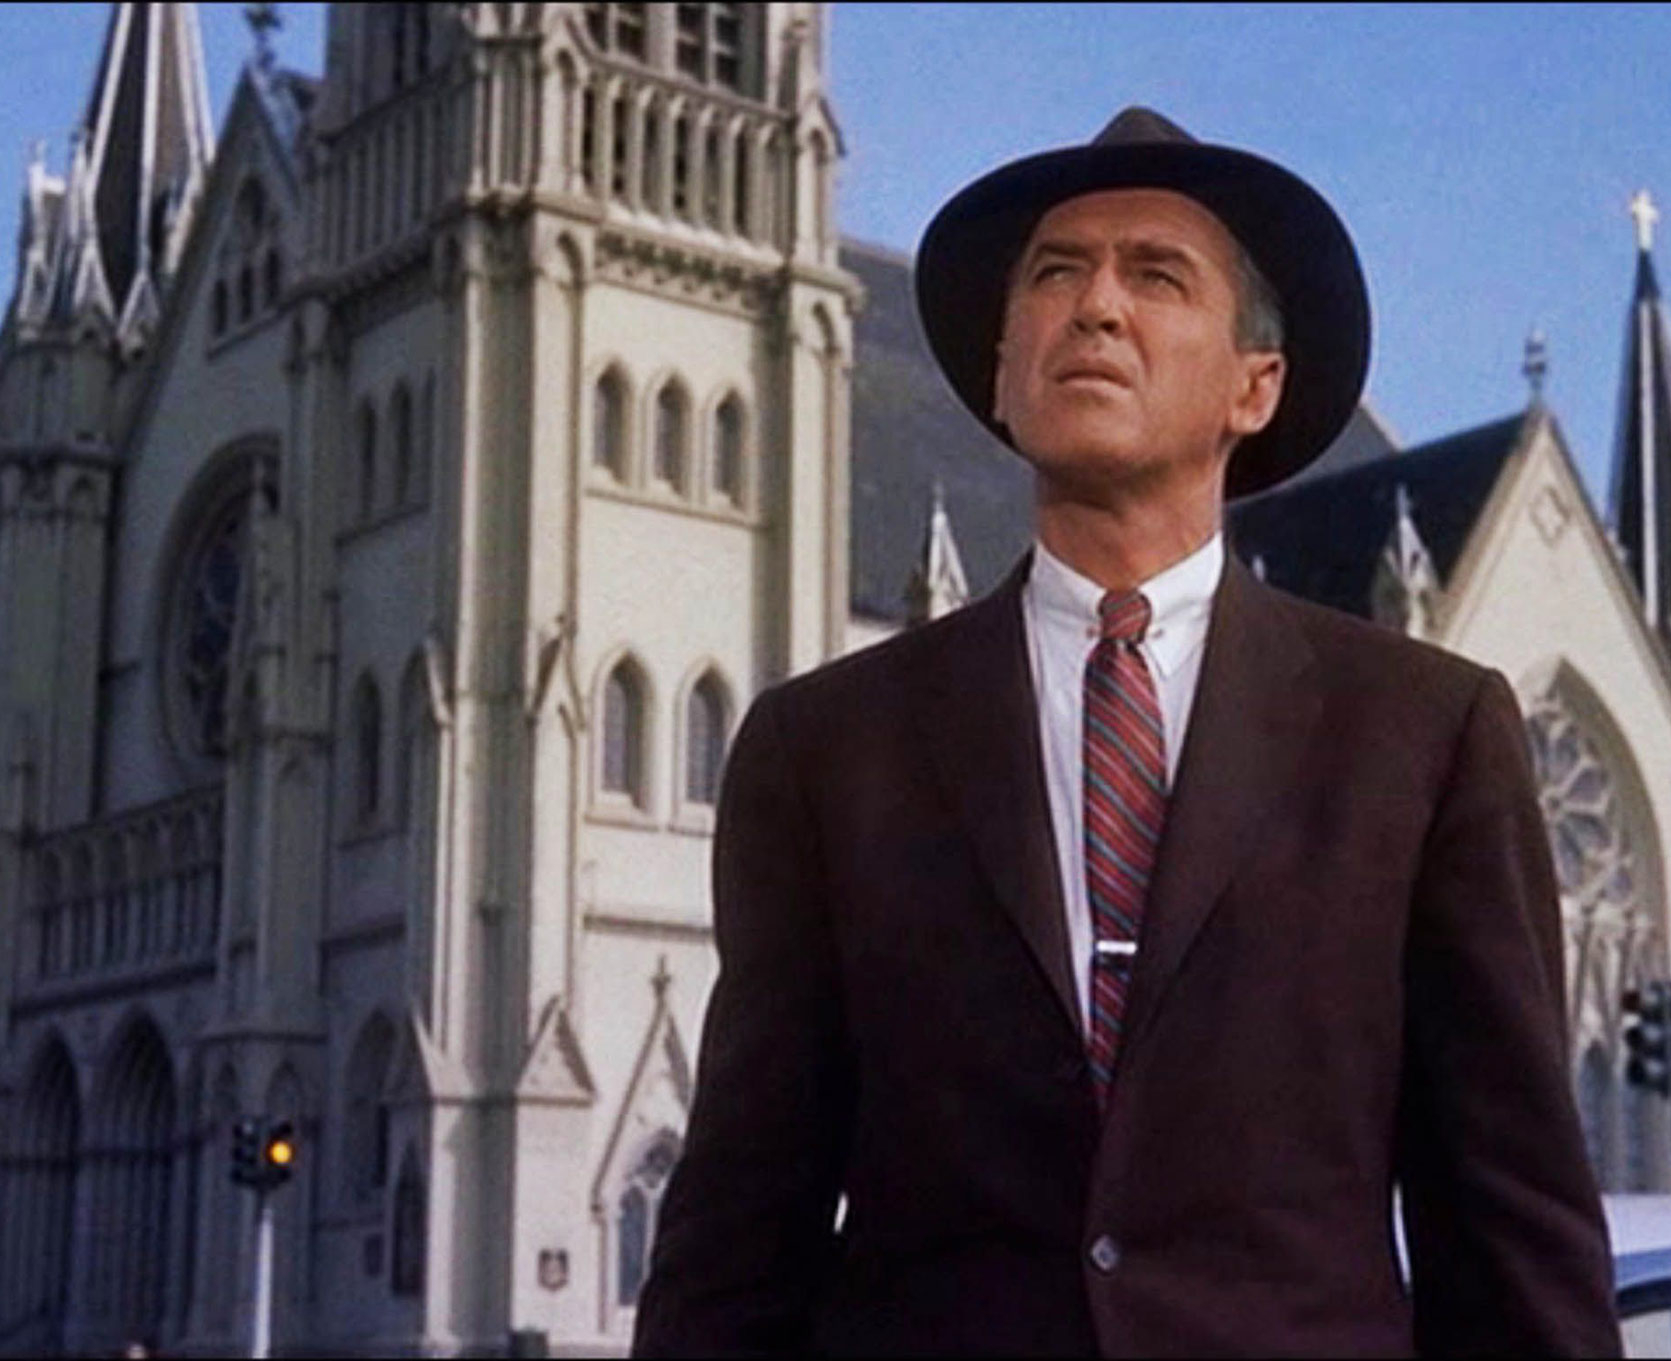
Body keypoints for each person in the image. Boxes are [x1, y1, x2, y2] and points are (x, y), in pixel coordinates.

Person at [633, 107, 1620, 1357]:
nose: (1095, 305)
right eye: (1055, 272)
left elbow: (1513, 1233)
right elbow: (737, 1232)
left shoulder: (1422, 739)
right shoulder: (825, 750)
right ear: (1001, 371)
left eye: (1156, 275)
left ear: (1255, 385)